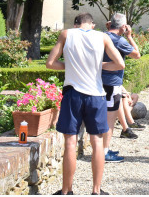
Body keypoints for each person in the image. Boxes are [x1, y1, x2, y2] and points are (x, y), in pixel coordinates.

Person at [46, 13, 125, 196]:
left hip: (73, 94)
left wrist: (71, 65)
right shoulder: (102, 36)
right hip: (96, 95)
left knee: (70, 142)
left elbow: (50, 63)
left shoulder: (67, 34)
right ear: (93, 24)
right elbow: (119, 64)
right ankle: (96, 191)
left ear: (76, 24)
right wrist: (99, 65)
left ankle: (66, 191)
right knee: (97, 141)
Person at [102, 13, 140, 163]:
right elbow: (136, 54)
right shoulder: (120, 40)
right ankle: (104, 152)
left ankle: (102, 149)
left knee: (102, 116)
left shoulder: (101, 36)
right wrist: (129, 36)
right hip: (112, 82)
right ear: (124, 27)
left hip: (98, 82)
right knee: (110, 119)